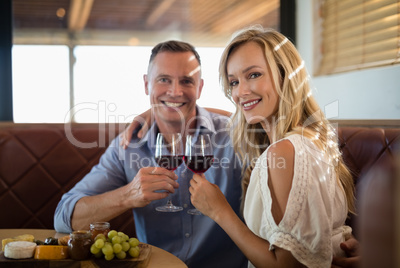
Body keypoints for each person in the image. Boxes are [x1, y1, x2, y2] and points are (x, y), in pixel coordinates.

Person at [54, 40, 247, 268]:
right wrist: (128, 195)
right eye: (164, 80)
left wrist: (157, 108)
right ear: (146, 84)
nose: (175, 92)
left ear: (200, 88)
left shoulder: (234, 136)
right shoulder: (127, 147)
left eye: (186, 81)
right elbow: (64, 218)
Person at [188, 26, 356, 267]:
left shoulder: (284, 152)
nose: (241, 92)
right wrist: (158, 112)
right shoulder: (311, 139)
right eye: (234, 82)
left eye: (254, 75)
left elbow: (285, 266)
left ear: (286, 76)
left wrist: (219, 211)